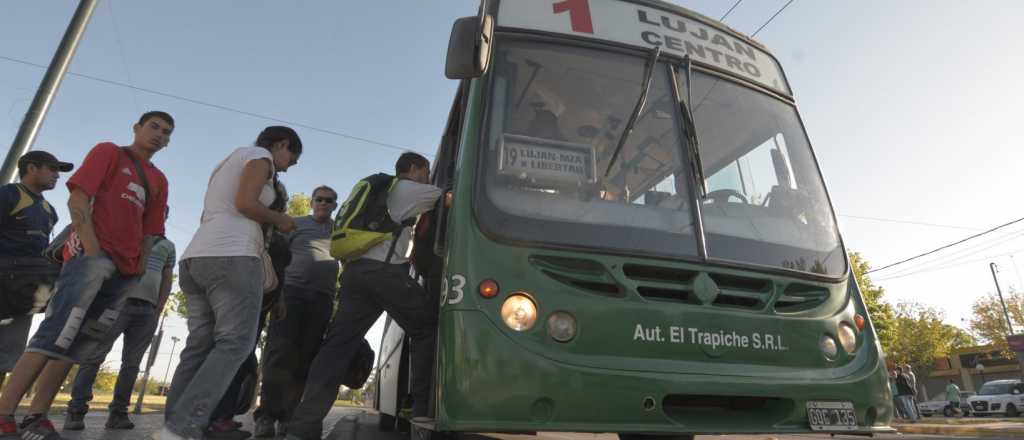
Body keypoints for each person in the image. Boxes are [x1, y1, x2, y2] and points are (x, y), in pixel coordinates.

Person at [0, 111, 172, 440]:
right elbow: (78, 195)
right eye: (154, 127)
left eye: (166, 132)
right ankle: (5, 411)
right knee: (55, 332)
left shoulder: (159, 180)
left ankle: (36, 416)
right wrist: (91, 248)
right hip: (93, 258)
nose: (159, 135)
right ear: (137, 128)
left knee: (75, 344)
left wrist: (138, 266)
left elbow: (152, 231)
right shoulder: (109, 152)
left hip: (126, 271)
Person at [157, 126, 301, 440]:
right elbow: (245, 203)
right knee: (236, 343)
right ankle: (184, 426)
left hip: (197, 256)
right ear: (282, 144)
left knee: (199, 346)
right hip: (233, 256)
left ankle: (173, 425)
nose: (290, 165)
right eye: (292, 156)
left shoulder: (226, 163)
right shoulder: (261, 157)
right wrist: (281, 220)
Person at [286, 152, 442, 440]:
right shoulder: (409, 189)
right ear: (413, 169)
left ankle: (302, 428)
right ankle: (422, 410)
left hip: (356, 273)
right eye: (426, 170)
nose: (428, 177)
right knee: (426, 328)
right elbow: (451, 198)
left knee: (336, 349)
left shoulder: (387, 192)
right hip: (384, 274)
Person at [63, 208, 175, 431]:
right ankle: (76, 410)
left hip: (147, 311)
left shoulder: (168, 246)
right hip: (115, 303)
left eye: (162, 214)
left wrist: (159, 307)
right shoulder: (127, 234)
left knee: (132, 364)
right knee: (93, 355)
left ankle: (118, 413)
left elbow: (166, 277)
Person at [253, 185, 340, 438]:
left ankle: (290, 417)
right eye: (319, 199)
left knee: (307, 359)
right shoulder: (295, 223)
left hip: (323, 300)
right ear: (312, 202)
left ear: (335, 205)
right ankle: (267, 416)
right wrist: (274, 293)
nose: (323, 203)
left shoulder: (340, 229)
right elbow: (276, 256)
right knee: (279, 353)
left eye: (329, 200)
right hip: (291, 295)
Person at [0, 151, 72, 390]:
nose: (57, 176)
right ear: (31, 168)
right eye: (52, 169)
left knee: (8, 354)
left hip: (24, 291)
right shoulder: (9, 194)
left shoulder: (51, 210)